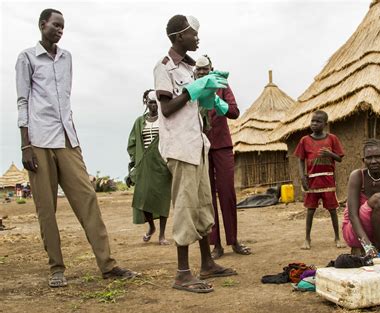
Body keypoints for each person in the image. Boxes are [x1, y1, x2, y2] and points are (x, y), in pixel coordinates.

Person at [15, 8, 136, 288]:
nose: (59, 30)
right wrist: (25, 145)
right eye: (55, 25)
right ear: (42, 25)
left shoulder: (67, 58)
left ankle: (108, 265)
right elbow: (23, 101)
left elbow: (65, 100)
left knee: (87, 199)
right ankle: (57, 268)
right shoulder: (27, 58)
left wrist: (74, 135)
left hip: (68, 139)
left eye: (63, 26)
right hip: (39, 141)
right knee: (47, 209)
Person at [153, 14, 236, 293]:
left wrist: (208, 95)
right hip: (180, 148)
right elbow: (166, 108)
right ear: (179, 37)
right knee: (187, 209)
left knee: (202, 206)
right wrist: (192, 91)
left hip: (198, 145)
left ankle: (206, 263)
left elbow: (193, 106)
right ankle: (182, 273)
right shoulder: (164, 68)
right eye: (192, 34)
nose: (197, 38)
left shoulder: (189, 68)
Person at [194, 55, 251, 259]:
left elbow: (234, 112)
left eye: (205, 69)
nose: (201, 72)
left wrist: (217, 101)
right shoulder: (191, 89)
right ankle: (215, 244)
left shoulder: (221, 85)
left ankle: (233, 240)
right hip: (201, 148)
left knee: (227, 193)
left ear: (211, 69)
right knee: (208, 196)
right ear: (194, 71)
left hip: (222, 145)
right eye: (198, 69)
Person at [294, 110, 345, 250]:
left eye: (318, 121)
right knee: (310, 210)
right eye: (313, 121)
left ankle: (337, 238)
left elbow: (340, 158)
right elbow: (300, 160)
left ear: (325, 124)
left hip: (328, 179)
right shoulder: (305, 140)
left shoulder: (332, 138)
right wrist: (302, 176)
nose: (314, 124)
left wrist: (330, 153)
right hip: (312, 180)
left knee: (333, 210)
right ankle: (307, 239)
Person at [126, 90, 171, 244]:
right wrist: (133, 162)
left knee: (162, 198)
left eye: (155, 102)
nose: (153, 105)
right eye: (150, 102)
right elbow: (132, 143)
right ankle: (151, 227)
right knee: (143, 198)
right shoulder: (139, 121)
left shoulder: (165, 120)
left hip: (161, 163)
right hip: (144, 164)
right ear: (146, 103)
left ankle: (162, 235)